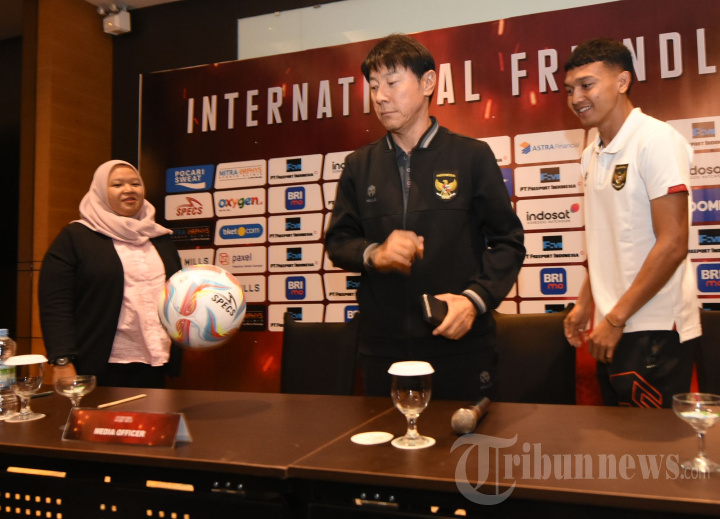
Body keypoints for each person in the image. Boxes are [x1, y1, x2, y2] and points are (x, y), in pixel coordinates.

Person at [325, 34, 525, 400]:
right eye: (373, 86)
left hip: (459, 343)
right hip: (381, 349)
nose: (380, 96)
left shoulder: (472, 156)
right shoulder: (358, 165)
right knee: (381, 440)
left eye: (392, 82)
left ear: (428, 82)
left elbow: (508, 242)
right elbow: (339, 242)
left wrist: (474, 300)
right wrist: (374, 253)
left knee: (463, 438)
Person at [562, 39, 701, 408]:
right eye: (570, 89)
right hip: (614, 324)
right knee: (617, 437)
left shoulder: (656, 140)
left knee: (654, 442)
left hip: (655, 327)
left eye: (587, 85)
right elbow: (610, 242)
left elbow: (673, 244)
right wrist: (585, 303)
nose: (576, 98)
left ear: (622, 81)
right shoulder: (591, 153)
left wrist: (615, 319)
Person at [39, 160, 182, 388]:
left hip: (155, 360)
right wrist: (62, 359)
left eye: (135, 184)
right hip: (98, 366)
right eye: (117, 185)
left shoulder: (159, 237)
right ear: (99, 192)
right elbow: (56, 304)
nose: (128, 189)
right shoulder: (76, 237)